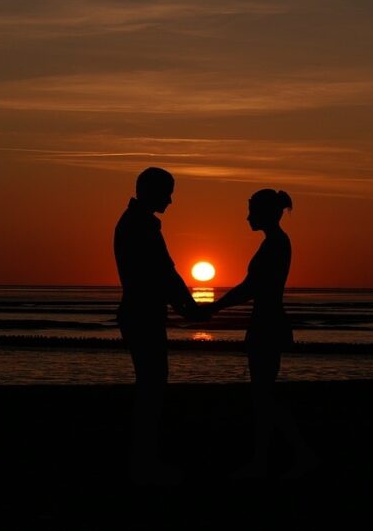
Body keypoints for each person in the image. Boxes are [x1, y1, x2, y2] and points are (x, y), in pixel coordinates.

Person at [205, 189, 318, 479]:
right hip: (266, 322)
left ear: (266, 213)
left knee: (264, 395)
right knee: (262, 394)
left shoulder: (276, 244)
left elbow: (251, 287)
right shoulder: (274, 243)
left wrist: (215, 307)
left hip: (267, 324)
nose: (247, 217)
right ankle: (264, 458)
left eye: (252, 211)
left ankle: (292, 455)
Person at [113, 166, 205, 485]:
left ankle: (143, 459)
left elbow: (163, 275)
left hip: (140, 313)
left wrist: (185, 307)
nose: (171, 200)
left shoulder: (135, 222)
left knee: (150, 385)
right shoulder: (141, 225)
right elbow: (164, 274)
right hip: (143, 315)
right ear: (151, 191)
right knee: (152, 386)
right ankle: (144, 463)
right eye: (167, 193)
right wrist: (190, 308)